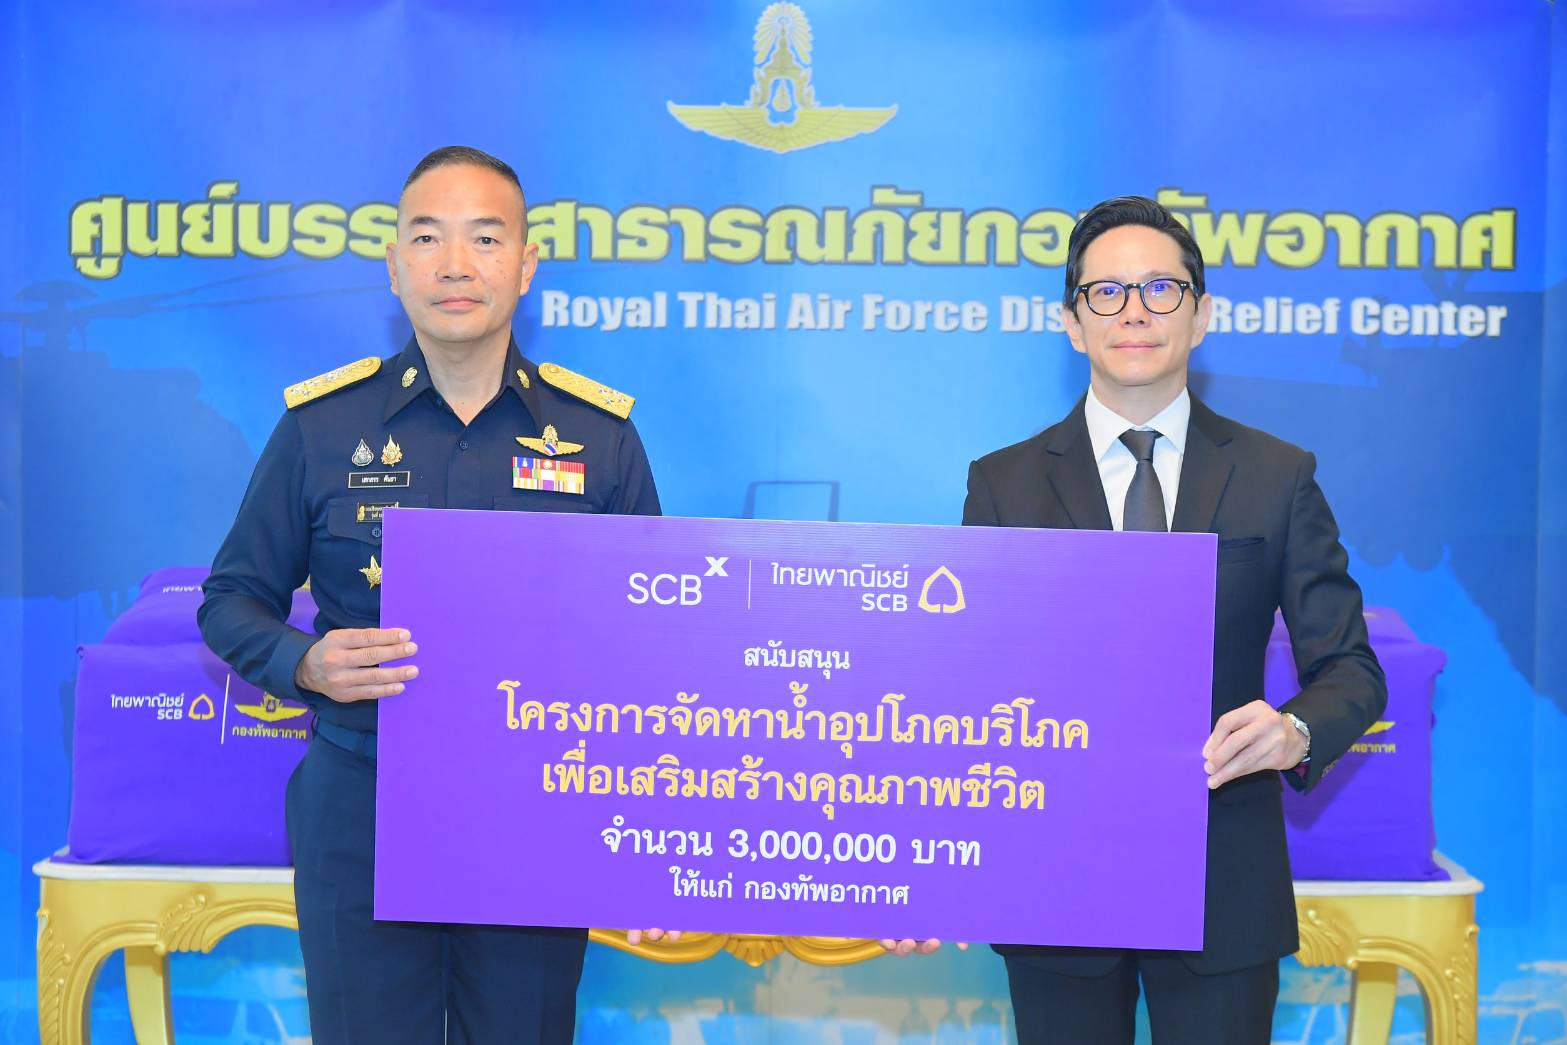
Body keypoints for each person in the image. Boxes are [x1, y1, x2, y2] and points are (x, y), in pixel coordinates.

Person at [200, 145, 674, 1044]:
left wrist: (646, 833)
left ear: (526, 264)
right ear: (394, 265)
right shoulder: (321, 427)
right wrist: (305, 661)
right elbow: (229, 598)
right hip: (361, 805)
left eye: (485, 238)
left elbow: (648, 646)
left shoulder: (601, 439)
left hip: (538, 808)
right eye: (427, 237)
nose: (455, 264)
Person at [951, 196, 1387, 1043]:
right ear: (1071, 323)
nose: (1134, 311)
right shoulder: (1002, 483)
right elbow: (970, 685)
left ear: (1200, 314)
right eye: (1105, 292)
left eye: (1160, 288)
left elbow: (1351, 670)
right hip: (1054, 878)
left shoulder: (1276, 474)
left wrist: (1293, 730)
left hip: (1223, 882)